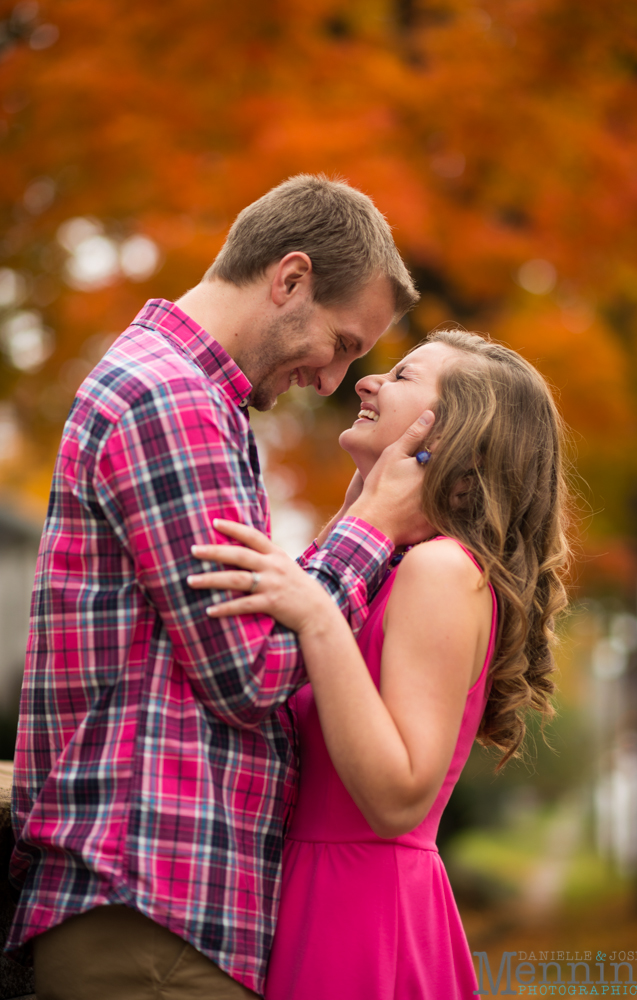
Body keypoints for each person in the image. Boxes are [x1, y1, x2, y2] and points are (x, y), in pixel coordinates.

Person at [7, 175, 435, 999]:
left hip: (160, 914)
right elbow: (250, 673)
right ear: (290, 280)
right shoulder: (174, 401)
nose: (335, 379)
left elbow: (244, 636)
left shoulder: (193, 400)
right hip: (152, 912)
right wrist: (372, 527)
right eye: (344, 343)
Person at [188, 328, 571, 999]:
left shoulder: (441, 571)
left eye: (400, 377)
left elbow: (398, 796)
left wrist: (314, 616)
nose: (366, 381)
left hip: (362, 912)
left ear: (452, 433)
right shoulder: (386, 567)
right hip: (308, 895)